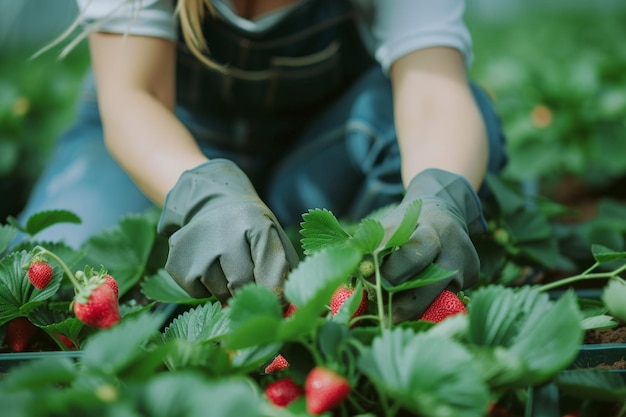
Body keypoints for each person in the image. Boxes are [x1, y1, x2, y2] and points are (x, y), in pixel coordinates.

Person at [19, 0, 506, 322]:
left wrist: (439, 197)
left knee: (457, 132)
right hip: (160, 137)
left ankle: (343, 292)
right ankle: (264, 257)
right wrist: (202, 196)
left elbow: (433, 90)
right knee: (53, 281)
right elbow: (133, 98)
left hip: (320, 145)